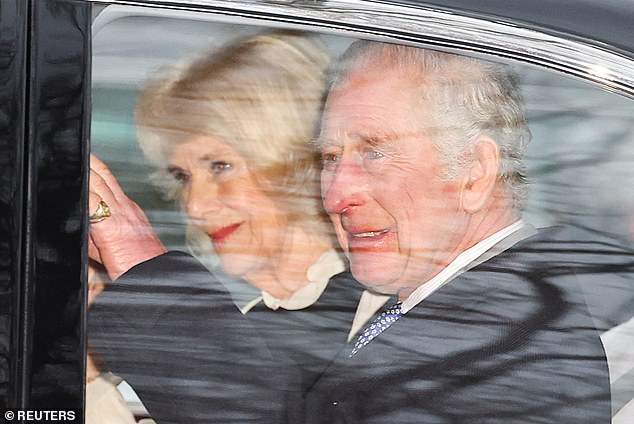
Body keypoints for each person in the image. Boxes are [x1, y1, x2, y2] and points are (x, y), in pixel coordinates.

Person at [302, 40, 613, 423]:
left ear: (476, 173)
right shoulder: (477, 314)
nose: (336, 196)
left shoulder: (493, 363)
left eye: (374, 152)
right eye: (331, 157)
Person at [88, 32, 372, 423]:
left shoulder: (383, 311)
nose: (195, 206)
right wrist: (87, 376)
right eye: (182, 176)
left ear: (291, 161)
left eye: (220, 166)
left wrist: (144, 271)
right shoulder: (247, 325)